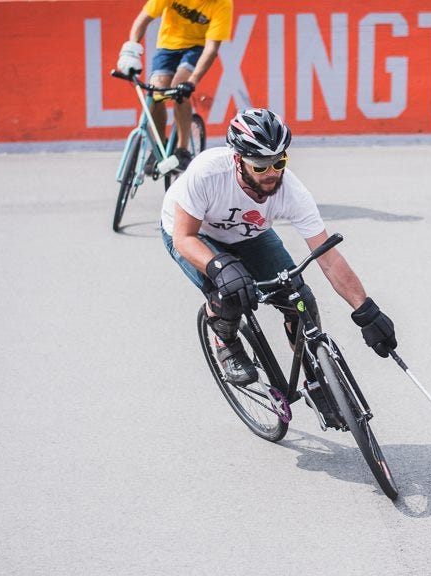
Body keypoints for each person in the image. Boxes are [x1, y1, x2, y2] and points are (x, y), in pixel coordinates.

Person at [160, 107, 397, 416]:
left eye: (279, 161)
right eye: (260, 165)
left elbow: (327, 256)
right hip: (195, 233)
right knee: (230, 289)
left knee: (301, 300)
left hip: (250, 235)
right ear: (238, 160)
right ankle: (225, 340)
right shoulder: (207, 173)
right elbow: (183, 237)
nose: (272, 173)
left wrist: (365, 311)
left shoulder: (292, 191)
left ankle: (316, 381)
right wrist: (221, 267)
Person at [116, 0, 234, 171]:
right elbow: (143, 19)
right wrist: (131, 50)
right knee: (155, 92)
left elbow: (211, 48)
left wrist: (192, 81)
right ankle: (160, 145)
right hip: (167, 46)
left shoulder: (222, 4)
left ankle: (182, 149)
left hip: (196, 48)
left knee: (179, 88)